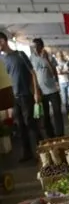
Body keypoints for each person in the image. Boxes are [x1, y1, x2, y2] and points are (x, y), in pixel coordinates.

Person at [0, 32, 42, 161]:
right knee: (20, 126)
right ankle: (27, 153)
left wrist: (36, 92)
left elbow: (32, 73)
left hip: (26, 96)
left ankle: (41, 152)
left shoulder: (20, 55)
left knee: (31, 124)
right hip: (14, 98)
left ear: (3, 41)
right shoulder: (2, 60)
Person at [31, 38, 64, 138]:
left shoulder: (49, 57)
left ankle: (60, 135)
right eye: (34, 47)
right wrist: (35, 91)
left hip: (53, 90)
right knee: (45, 115)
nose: (35, 49)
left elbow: (53, 73)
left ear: (42, 46)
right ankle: (50, 135)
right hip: (41, 91)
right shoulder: (31, 58)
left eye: (37, 46)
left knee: (57, 113)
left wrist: (46, 59)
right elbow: (33, 74)